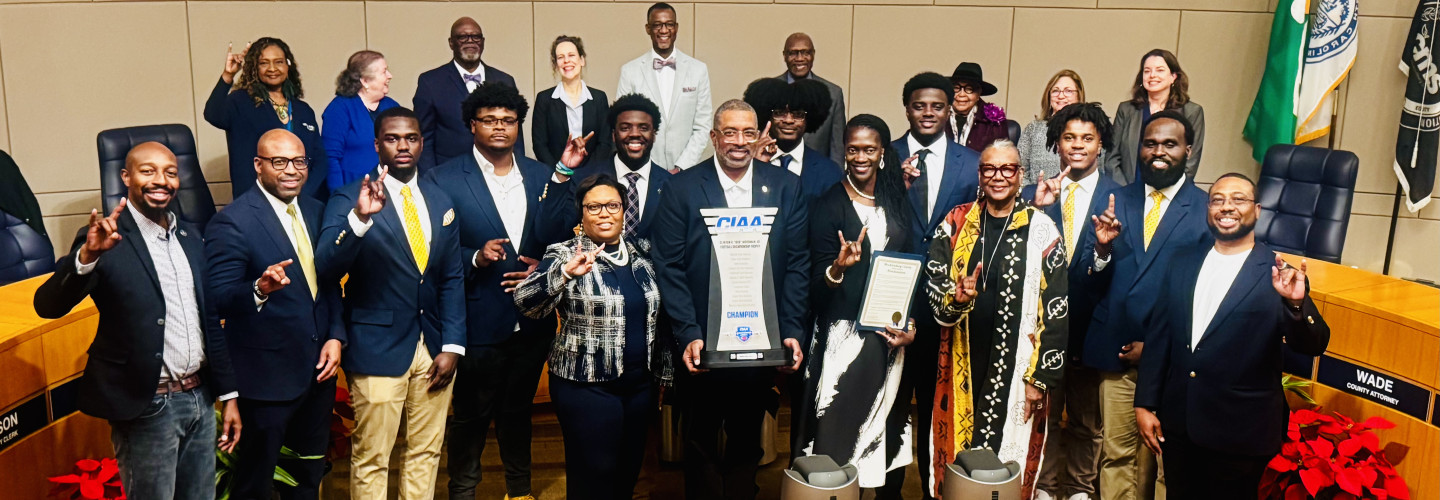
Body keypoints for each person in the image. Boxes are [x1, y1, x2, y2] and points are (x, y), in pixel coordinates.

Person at [34, 142, 239, 500]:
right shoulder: (106, 237)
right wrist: (86, 257)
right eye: (148, 171)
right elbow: (48, 305)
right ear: (126, 176)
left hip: (200, 400)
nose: (161, 180)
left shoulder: (190, 236)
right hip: (148, 406)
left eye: (170, 172)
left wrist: (228, 395)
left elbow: (208, 321)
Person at [1136, 173, 1330, 499]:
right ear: (1208, 209)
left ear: (1257, 210)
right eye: (1218, 199)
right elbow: (1160, 337)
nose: (1227, 207)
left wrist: (1296, 304)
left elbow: (1312, 345)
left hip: (1241, 433)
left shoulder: (1277, 273)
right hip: (1180, 427)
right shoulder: (1182, 261)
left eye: (1238, 199)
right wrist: (1145, 402)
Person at [651, 99, 807, 500]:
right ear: (714, 137)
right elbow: (669, 265)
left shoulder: (786, 186)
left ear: (759, 136)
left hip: (760, 342)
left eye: (748, 132)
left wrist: (789, 329)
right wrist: (688, 332)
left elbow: (797, 264)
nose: (740, 142)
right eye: (731, 132)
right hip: (702, 341)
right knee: (699, 438)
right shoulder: (682, 187)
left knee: (747, 436)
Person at [317, 107, 466, 499]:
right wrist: (359, 220)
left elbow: (451, 276)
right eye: (393, 138)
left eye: (411, 138)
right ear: (376, 144)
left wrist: (452, 344)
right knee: (372, 457)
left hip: (433, 346)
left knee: (427, 451)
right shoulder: (351, 197)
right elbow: (325, 268)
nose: (403, 145)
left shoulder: (439, 198)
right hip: (376, 346)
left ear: (422, 142)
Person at [426, 82, 558, 500]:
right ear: (472, 125)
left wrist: (546, 268)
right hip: (476, 318)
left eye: (508, 120)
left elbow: (561, 238)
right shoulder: (443, 178)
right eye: (489, 120)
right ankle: (463, 492)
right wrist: (473, 258)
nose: (499, 127)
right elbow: (430, 249)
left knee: (519, 414)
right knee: (470, 417)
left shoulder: (542, 175)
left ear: (518, 125)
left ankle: (519, 491)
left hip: (532, 322)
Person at [1075, 110, 1211, 500]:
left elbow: (1204, 296)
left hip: (1172, 361)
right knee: (1116, 455)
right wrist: (1101, 249)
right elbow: (1090, 276)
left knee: (1167, 462)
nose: (1158, 151)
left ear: (1188, 149)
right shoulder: (1114, 197)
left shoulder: (1204, 209)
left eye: (1169, 144)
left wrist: (1155, 350)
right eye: (1150, 143)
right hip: (1115, 349)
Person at [923, 139, 1068, 499]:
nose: (998, 177)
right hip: (961, 365)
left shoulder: (1043, 230)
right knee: (958, 462)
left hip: (1019, 372)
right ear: (979, 174)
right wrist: (956, 300)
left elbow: (1057, 310)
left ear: (1020, 176)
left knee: (1008, 466)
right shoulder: (955, 224)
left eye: (1007, 169)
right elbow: (936, 301)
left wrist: (1040, 380)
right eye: (989, 168)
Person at [204, 129, 344, 500]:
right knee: (256, 485)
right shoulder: (232, 222)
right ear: (258, 165)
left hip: (318, 375)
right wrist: (258, 289)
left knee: (307, 481)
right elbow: (218, 298)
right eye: (279, 161)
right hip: (266, 383)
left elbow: (329, 283)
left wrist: (335, 335)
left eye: (299, 161)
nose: (291, 170)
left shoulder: (317, 210)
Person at [514, 175, 668, 500]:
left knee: (628, 475)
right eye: (593, 206)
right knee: (595, 476)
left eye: (612, 205)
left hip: (640, 387)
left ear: (623, 210)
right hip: (585, 386)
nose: (604, 213)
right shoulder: (564, 253)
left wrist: (663, 373)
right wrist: (566, 273)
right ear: (581, 214)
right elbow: (526, 302)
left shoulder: (643, 255)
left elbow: (660, 316)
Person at [793, 115, 916, 496]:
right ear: (844, 153)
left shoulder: (897, 201)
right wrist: (837, 268)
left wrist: (910, 325)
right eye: (853, 149)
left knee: (875, 439)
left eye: (869, 149)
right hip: (842, 342)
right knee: (836, 440)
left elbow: (909, 266)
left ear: (882, 153)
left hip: (888, 339)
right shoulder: (828, 205)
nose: (860, 156)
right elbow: (814, 290)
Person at [1023, 102, 1121, 500]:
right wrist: (1035, 211)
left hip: (1092, 325)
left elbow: (1121, 269)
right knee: (1043, 414)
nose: (1077, 146)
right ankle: (1043, 487)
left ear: (1100, 145)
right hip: (1043, 328)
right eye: (1068, 138)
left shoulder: (1121, 198)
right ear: (1056, 144)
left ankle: (1080, 489)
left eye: (1086, 138)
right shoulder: (1035, 194)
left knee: (1085, 419)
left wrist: (1101, 252)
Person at [889, 71, 980, 499]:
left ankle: (931, 490)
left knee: (934, 406)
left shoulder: (970, 160)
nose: (928, 113)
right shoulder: (885, 157)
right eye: (919, 105)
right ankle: (884, 491)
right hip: (891, 301)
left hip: (945, 305)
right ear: (906, 108)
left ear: (951, 110)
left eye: (937, 106)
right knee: (887, 405)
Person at [540, 94, 673, 246]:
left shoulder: (672, 184)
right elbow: (551, 235)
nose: (635, 134)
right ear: (613, 135)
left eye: (643, 128)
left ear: (654, 134)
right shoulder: (586, 178)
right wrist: (563, 170)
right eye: (625, 128)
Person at [206, 38, 328, 200]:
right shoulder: (241, 101)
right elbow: (213, 114)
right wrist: (228, 75)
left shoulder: (303, 109)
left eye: (278, 62)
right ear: (255, 68)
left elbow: (319, 159)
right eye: (264, 63)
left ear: (288, 65)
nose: (272, 68)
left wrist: (304, 195)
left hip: (302, 200)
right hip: (257, 203)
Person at [414, 17, 523, 171]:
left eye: (476, 37)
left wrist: (518, 171)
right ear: (451, 43)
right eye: (463, 37)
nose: (470, 41)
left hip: (498, 170)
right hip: (450, 174)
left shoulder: (505, 80)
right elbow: (424, 138)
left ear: (483, 41)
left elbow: (516, 134)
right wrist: (430, 180)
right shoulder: (430, 82)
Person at [617, 2, 712, 171]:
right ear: (647, 28)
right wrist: (649, 170)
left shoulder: (698, 70)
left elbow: (703, 126)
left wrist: (682, 167)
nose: (663, 30)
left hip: (687, 171)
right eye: (657, 25)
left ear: (676, 27)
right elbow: (623, 125)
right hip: (643, 170)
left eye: (669, 24)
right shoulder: (629, 71)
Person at [1107, 49, 1206, 184]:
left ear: (1173, 76)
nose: (1152, 75)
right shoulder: (1127, 110)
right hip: (1128, 192)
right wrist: (1125, 192)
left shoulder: (1192, 112)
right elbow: (1112, 159)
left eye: (1159, 70)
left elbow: (1191, 162)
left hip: (1171, 196)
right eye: (1147, 71)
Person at [742, 77, 843, 203]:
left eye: (798, 114)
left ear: (809, 119)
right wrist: (757, 166)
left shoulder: (828, 171)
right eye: (779, 113)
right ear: (767, 116)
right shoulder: (746, 165)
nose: (789, 120)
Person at [324, 50, 400, 191]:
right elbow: (330, 158)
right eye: (384, 72)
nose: (390, 76)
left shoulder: (392, 106)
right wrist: (339, 198)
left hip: (390, 190)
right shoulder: (339, 108)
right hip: (354, 191)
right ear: (365, 81)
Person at [533, 35, 612, 171]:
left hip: (592, 177)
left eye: (571, 55)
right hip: (556, 176)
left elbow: (605, 143)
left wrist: (587, 174)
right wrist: (561, 171)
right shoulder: (544, 99)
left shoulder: (599, 98)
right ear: (555, 65)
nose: (566, 61)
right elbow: (540, 145)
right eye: (560, 57)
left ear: (582, 60)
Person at [776, 33, 845, 164]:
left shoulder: (833, 93)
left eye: (805, 52)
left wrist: (835, 180)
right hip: (777, 172)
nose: (800, 58)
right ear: (784, 56)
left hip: (818, 176)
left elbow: (837, 148)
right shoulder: (770, 91)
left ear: (813, 55)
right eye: (793, 53)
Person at [1018, 70, 1088, 187]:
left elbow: (1099, 171)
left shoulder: (1089, 131)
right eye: (1055, 91)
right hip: (1036, 200)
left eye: (1068, 91)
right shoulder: (1034, 129)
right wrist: (1034, 195)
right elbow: (1020, 170)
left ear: (1079, 96)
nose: (1061, 96)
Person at [946, 62, 1010, 153]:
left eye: (969, 89)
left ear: (978, 93)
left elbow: (1003, 157)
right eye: (956, 88)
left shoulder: (994, 122)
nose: (961, 94)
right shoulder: (938, 115)